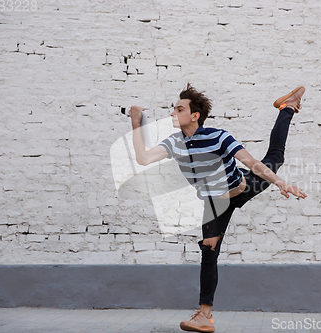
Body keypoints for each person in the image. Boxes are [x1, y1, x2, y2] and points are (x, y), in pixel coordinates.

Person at [129, 84, 307, 333]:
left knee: (274, 158)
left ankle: (287, 107)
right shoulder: (175, 142)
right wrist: (136, 124)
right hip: (215, 203)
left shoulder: (219, 136)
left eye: (179, 109)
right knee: (208, 252)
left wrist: (280, 183)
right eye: (173, 109)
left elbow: (252, 162)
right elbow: (144, 158)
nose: (173, 113)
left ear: (195, 116)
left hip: (244, 186)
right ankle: (204, 316)